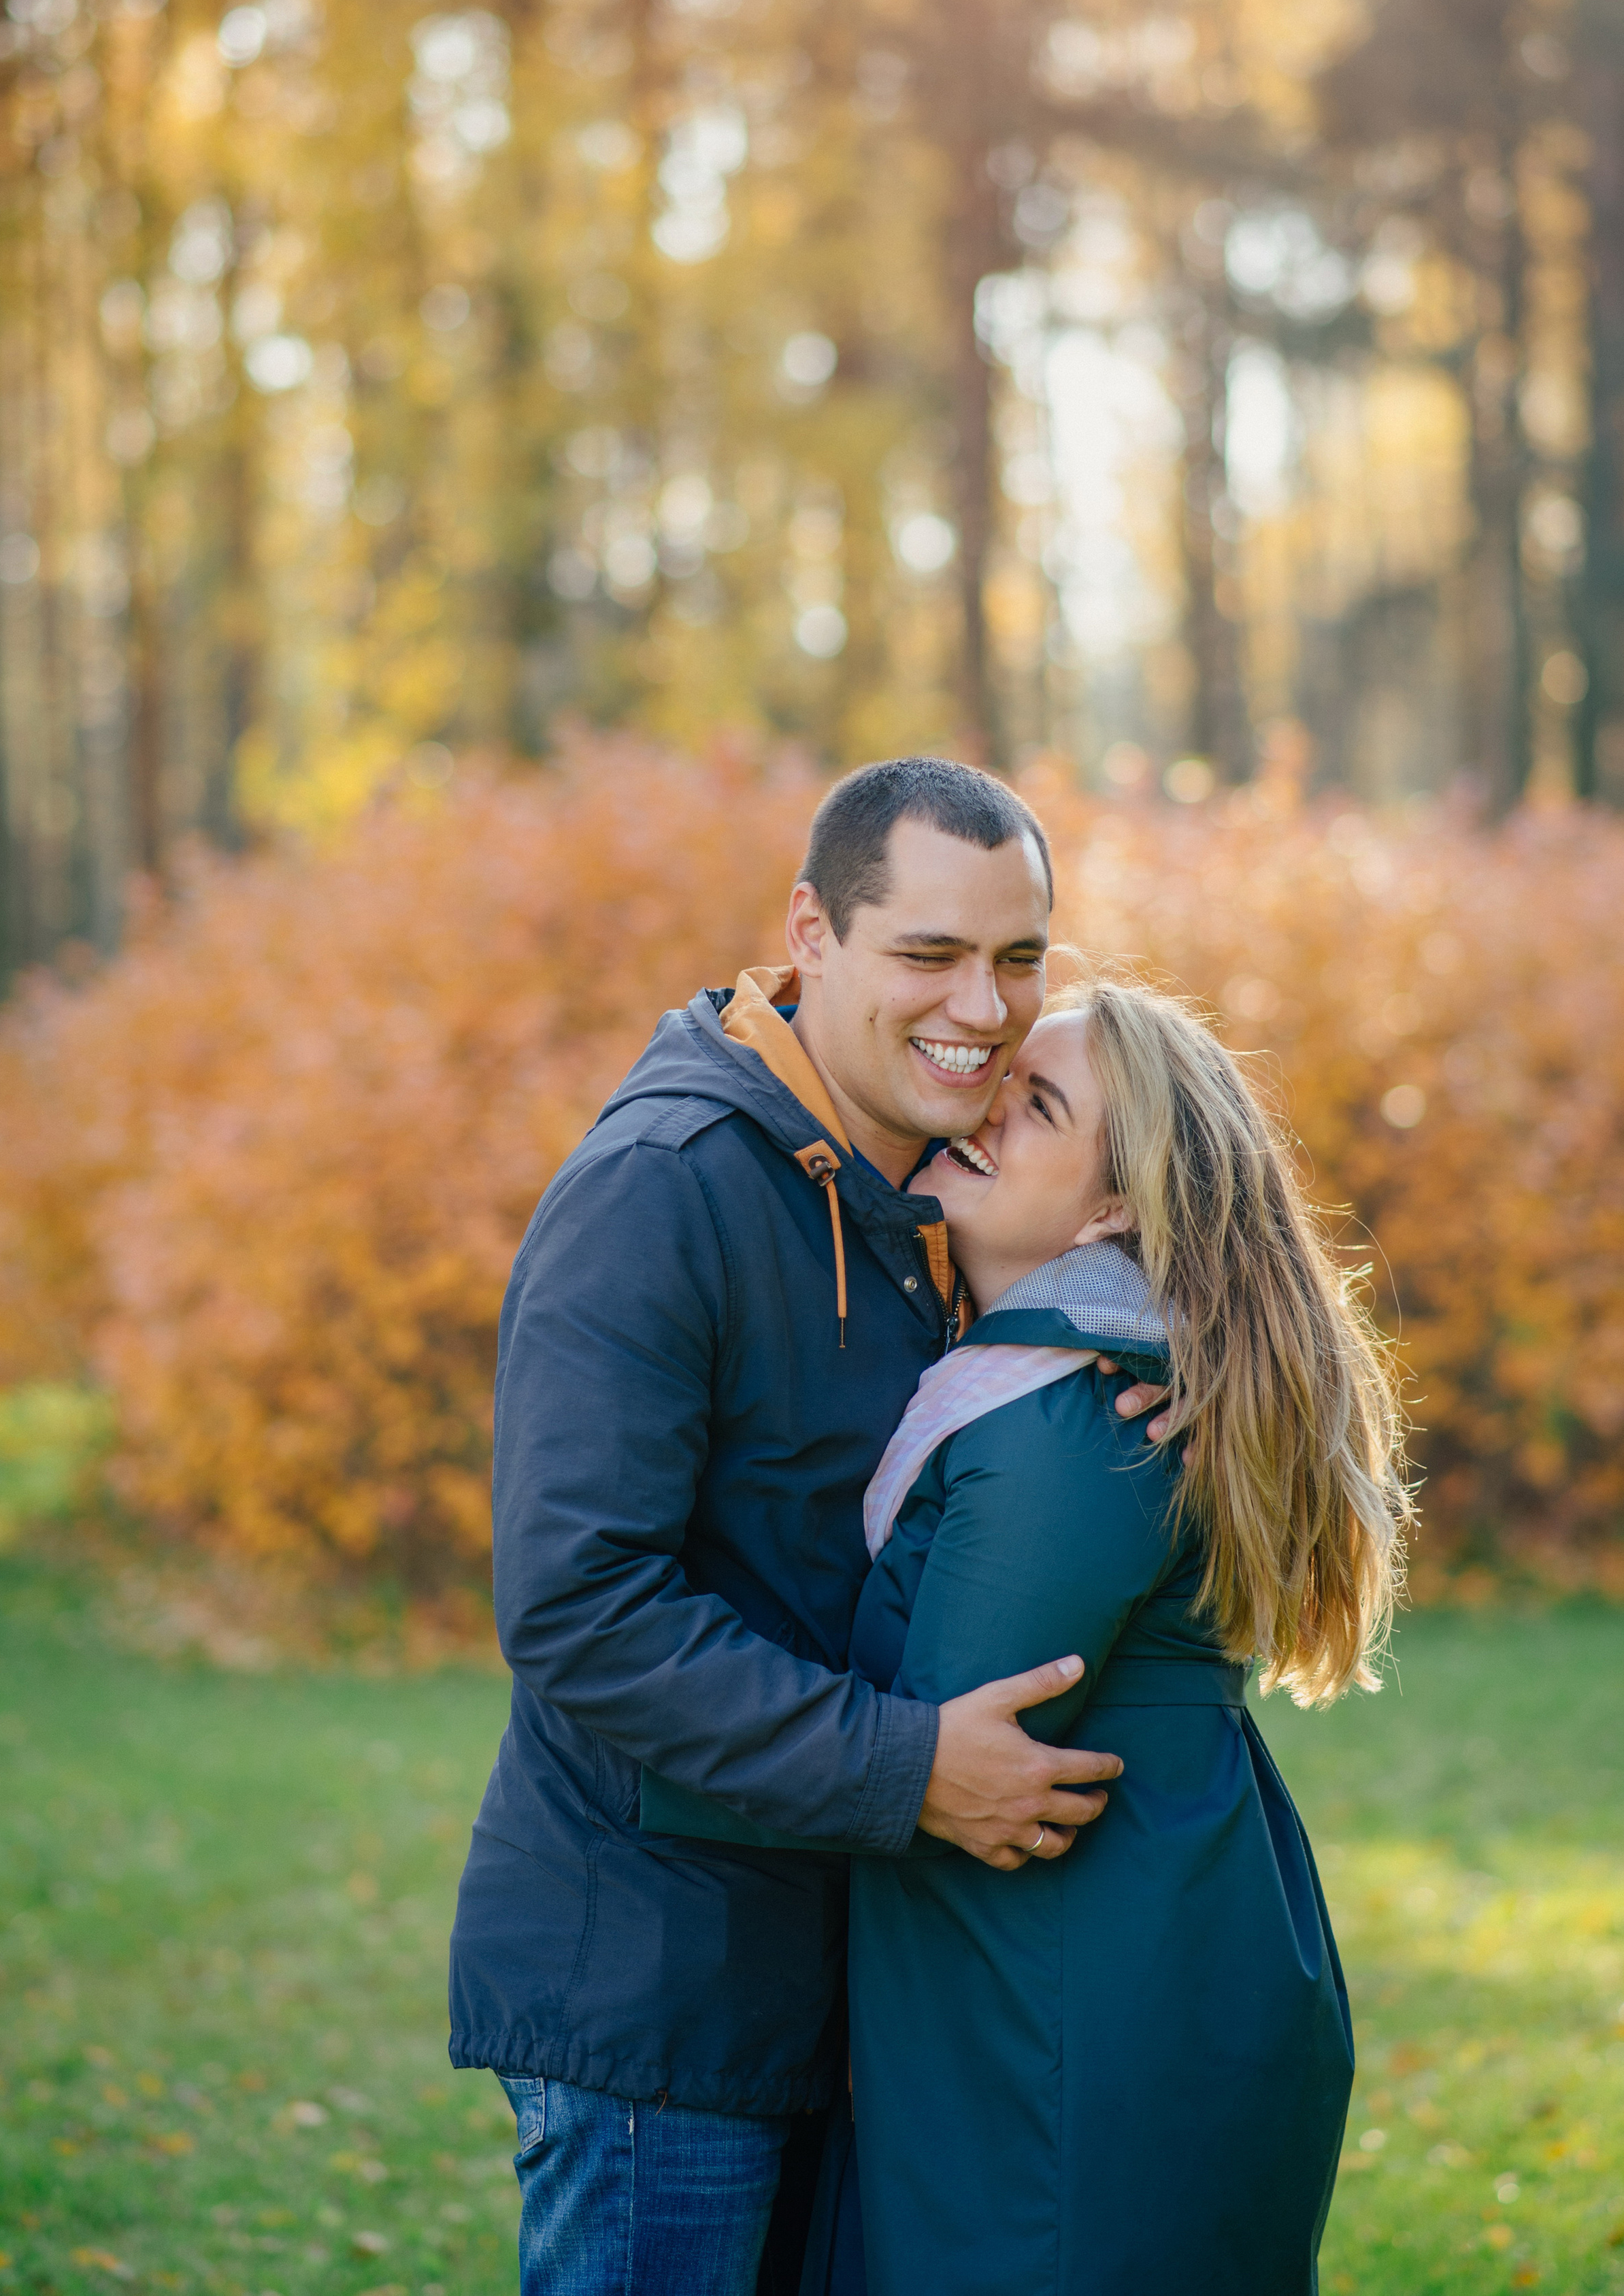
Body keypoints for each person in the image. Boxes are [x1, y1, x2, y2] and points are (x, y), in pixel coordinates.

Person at [448, 761, 1170, 2296]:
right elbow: (578, 1606)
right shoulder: (662, 1190)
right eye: (928, 953)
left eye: (1019, 956)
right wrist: (907, 1770)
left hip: (836, 1987)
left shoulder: (913, 1182)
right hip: (659, 2001)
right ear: (810, 933)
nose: (982, 1003)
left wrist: (1184, 1369)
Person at [784, 976, 1413, 2295]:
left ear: (1116, 1205)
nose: (985, 1103)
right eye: (1002, 1074)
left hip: (1072, 2002)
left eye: (1039, 1101)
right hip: (1101, 1962)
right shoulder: (1063, 1372)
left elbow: (948, 1746)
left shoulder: (1079, 1418)